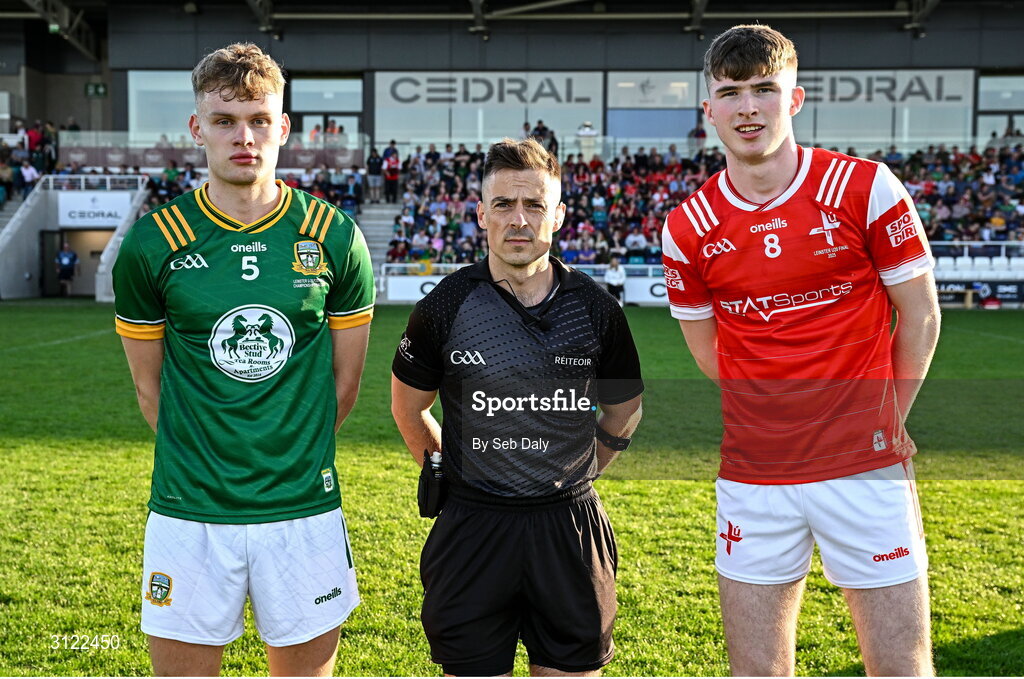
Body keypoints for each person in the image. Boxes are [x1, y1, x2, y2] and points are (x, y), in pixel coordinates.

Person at [661, 25, 940, 676]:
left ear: (796, 97)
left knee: (900, 666)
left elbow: (921, 316)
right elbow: (712, 357)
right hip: (755, 479)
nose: (748, 108)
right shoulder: (687, 227)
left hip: (864, 470)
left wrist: (881, 415)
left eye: (765, 89)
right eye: (730, 93)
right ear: (709, 110)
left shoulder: (866, 188)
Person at [111, 43, 375, 677]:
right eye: (225, 121)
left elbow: (345, 385)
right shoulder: (154, 243)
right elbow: (152, 394)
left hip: (303, 510)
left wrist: (286, 455)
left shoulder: (334, 235)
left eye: (259, 120)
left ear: (284, 128)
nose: (244, 137)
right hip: (189, 508)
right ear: (197, 128)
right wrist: (210, 464)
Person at [391, 137, 644, 677]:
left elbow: (624, 410)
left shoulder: (598, 310)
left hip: (570, 530)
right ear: (481, 213)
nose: (519, 219)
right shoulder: (443, 307)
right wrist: (448, 472)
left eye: (534, 205)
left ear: (558, 214)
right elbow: (409, 410)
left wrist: (580, 475)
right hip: (473, 528)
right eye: (503, 204)